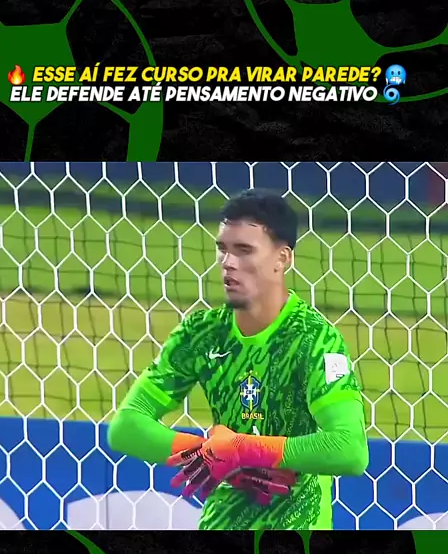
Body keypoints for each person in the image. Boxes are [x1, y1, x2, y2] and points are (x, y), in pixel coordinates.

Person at [108, 189, 368, 529]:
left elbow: (350, 449)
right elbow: (125, 427)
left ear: (282, 258)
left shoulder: (314, 339)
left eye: (244, 250)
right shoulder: (201, 333)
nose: (228, 262)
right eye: (223, 249)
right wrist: (211, 453)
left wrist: (241, 450)